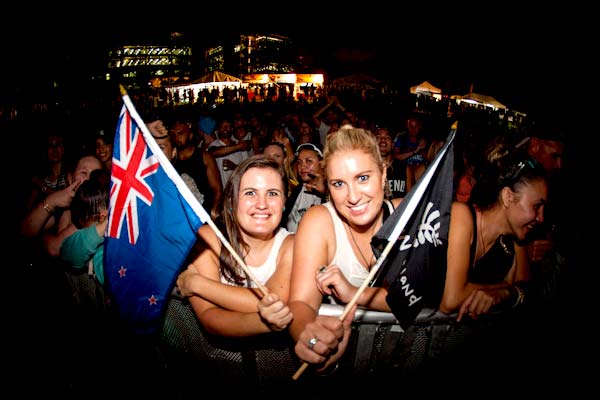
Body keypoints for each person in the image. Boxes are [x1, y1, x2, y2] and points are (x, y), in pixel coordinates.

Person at [287, 127, 402, 374]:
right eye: (338, 183)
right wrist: (311, 339)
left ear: (383, 174)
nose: (353, 197)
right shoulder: (320, 221)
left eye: (363, 178)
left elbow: (427, 296)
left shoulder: (408, 218)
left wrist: (352, 294)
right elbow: (301, 303)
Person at [176, 155, 294, 337]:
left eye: (272, 193)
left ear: (284, 202)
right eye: (250, 193)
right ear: (231, 200)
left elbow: (274, 299)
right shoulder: (208, 239)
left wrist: (196, 284)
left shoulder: (292, 244)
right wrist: (264, 323)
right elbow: (209, 316)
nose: (262, 204)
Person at [440, 139, 548, 321]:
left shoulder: (514, 240)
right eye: (537, 206)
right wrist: (505, 288)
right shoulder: (462, 216)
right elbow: (450, 300)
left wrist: (505, 293)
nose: (541, 218)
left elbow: (526, 292)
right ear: (508, 197)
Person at [283, 143, 327, 233]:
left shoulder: (332, 191)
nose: (302, 166)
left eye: (309, 161)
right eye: (299, 162)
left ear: (322, 163)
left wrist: (326, 193)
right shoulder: (296, 191)